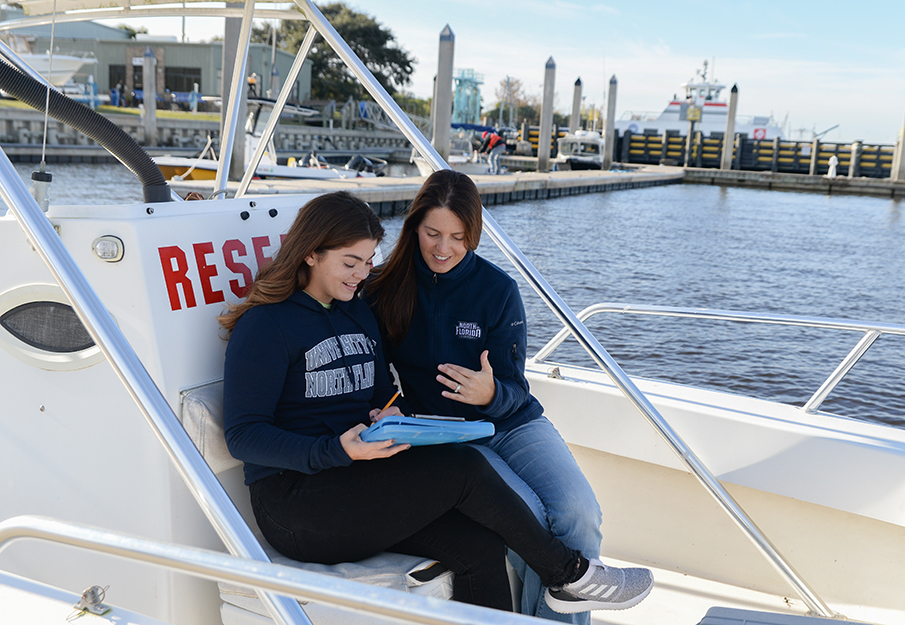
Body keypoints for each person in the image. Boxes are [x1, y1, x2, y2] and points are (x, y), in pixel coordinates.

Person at [220, 190, 653, 614]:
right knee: (462, 468)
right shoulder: (265, 325)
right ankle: (569, 575)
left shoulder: (356, 308)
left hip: (354, 480)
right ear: (310, 253)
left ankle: (561, 583)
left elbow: (374, 392)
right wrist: (334, 450)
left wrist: (385, 410)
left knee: (478, 545)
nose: (361, 274)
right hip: (295, 506)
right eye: (350, 263)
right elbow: (242, 435)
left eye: (368, 262)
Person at [365, 169, 606, 623]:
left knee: (579, 513)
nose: (442, 248)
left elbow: (516, 388)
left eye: (457, 237)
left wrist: (491, 391)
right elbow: (372, 370)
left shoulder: (498, 291)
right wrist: (380, 405)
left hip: (514, 423)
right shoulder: (382, 289)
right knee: (530, 520)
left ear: (472, 234)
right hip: (450, 437)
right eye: (432, 233)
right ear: (414, 225)